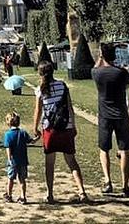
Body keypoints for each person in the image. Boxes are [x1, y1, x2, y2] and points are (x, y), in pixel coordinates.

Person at [33, 61, 87, 203]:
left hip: (50, 129)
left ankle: (50, 194)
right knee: (71, 161)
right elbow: (70, 107)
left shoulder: (41, 89)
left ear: (40, 73)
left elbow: (38, 111)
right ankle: (82, 191)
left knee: (50, 163)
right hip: (66, 126)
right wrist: (73, 125)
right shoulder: (62, 85)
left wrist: (35, 127)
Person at [91, 42, 129, 197]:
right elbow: (127, 86)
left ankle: (108, 181)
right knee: (124, 151)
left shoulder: (97, 73)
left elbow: (95, 67)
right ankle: (125, 186)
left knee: (104, 150)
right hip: (121, 114)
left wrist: (100, 57)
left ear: (102, 55)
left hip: (105, 116)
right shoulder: (121, 73)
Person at [2, 111, 34, 204]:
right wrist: (37, 137)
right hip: (23, 161)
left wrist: (9, 159)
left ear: (8, 122)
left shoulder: (8, 134)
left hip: (13, 161)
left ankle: (9, 195)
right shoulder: (23, 133)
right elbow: (31, 141)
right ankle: (23, 196)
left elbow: (8, 148)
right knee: (22, 179)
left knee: (10, 178)